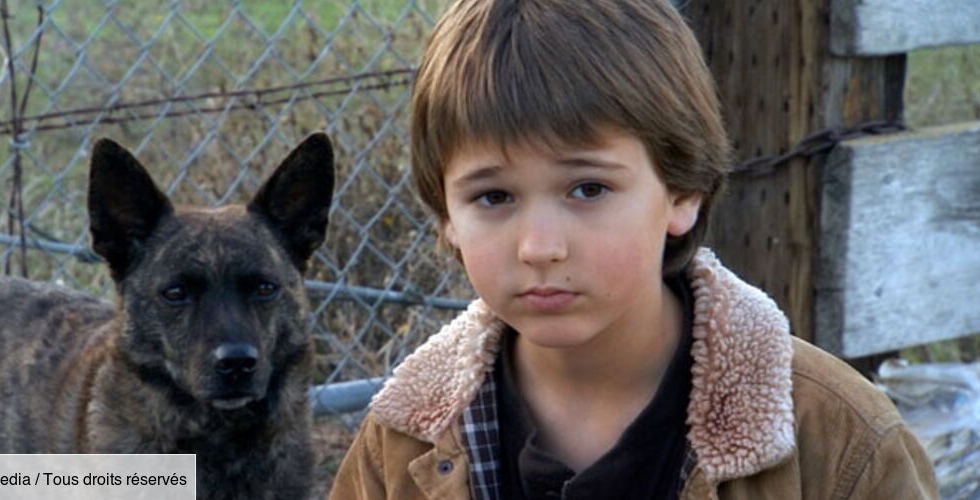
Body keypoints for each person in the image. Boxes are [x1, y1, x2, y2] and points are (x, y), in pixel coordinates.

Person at [329, 0, 938, 499]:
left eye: (588, 189)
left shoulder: (838, 441)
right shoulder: (401, 442)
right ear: (447, 216)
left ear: (683, 191)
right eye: (493, 197)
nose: (540, 247)